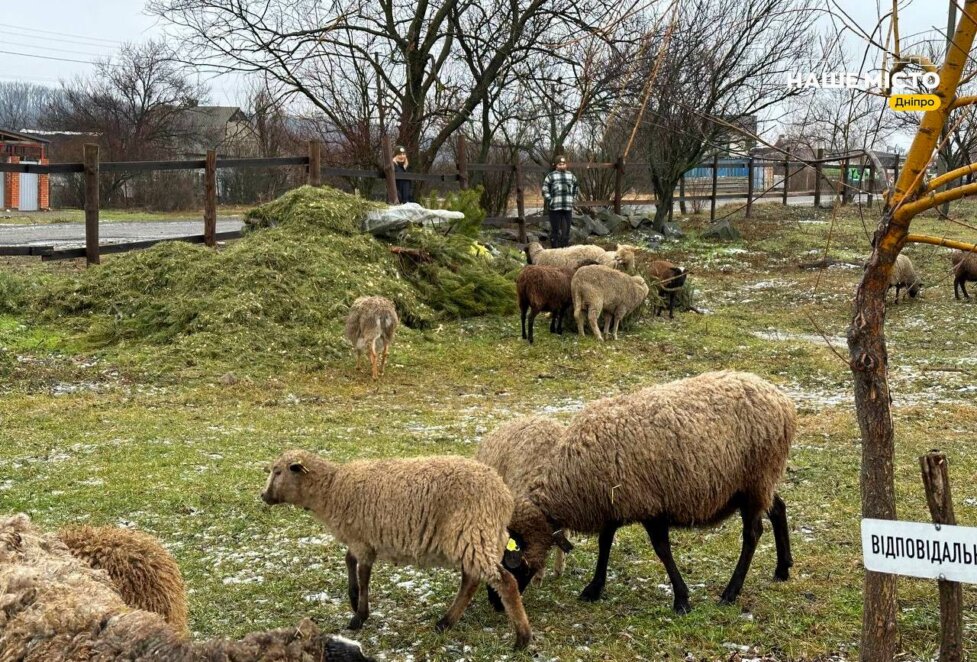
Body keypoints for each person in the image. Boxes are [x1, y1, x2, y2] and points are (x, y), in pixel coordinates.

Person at [541, 155, 578, 248]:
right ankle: (554, 250)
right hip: (555, 207)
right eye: (560, 164)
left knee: (566, 231)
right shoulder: (551, 176)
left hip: (567, 207)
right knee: (555, 230)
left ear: (566, 165)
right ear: (556, 165)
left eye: (563, 164)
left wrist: (573, 198)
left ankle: (564, 249)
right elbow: (545, 189)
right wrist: (550, 199)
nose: (562, 166)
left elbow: (576, 187)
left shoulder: (571, 176)